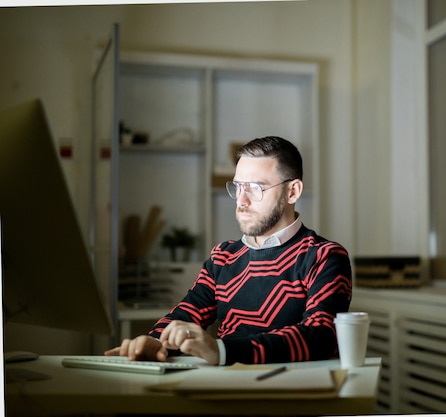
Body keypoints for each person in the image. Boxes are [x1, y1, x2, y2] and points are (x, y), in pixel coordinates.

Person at [105, 136, 352, 365]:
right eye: (238, 187)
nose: (241, 201)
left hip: (292, 397)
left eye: (255, 188)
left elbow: (322, 336)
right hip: (224, 393)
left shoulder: (324, 256)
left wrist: (221, 351)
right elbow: (186, 313)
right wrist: (156, 341)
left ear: (292, 191)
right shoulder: (223, 257)